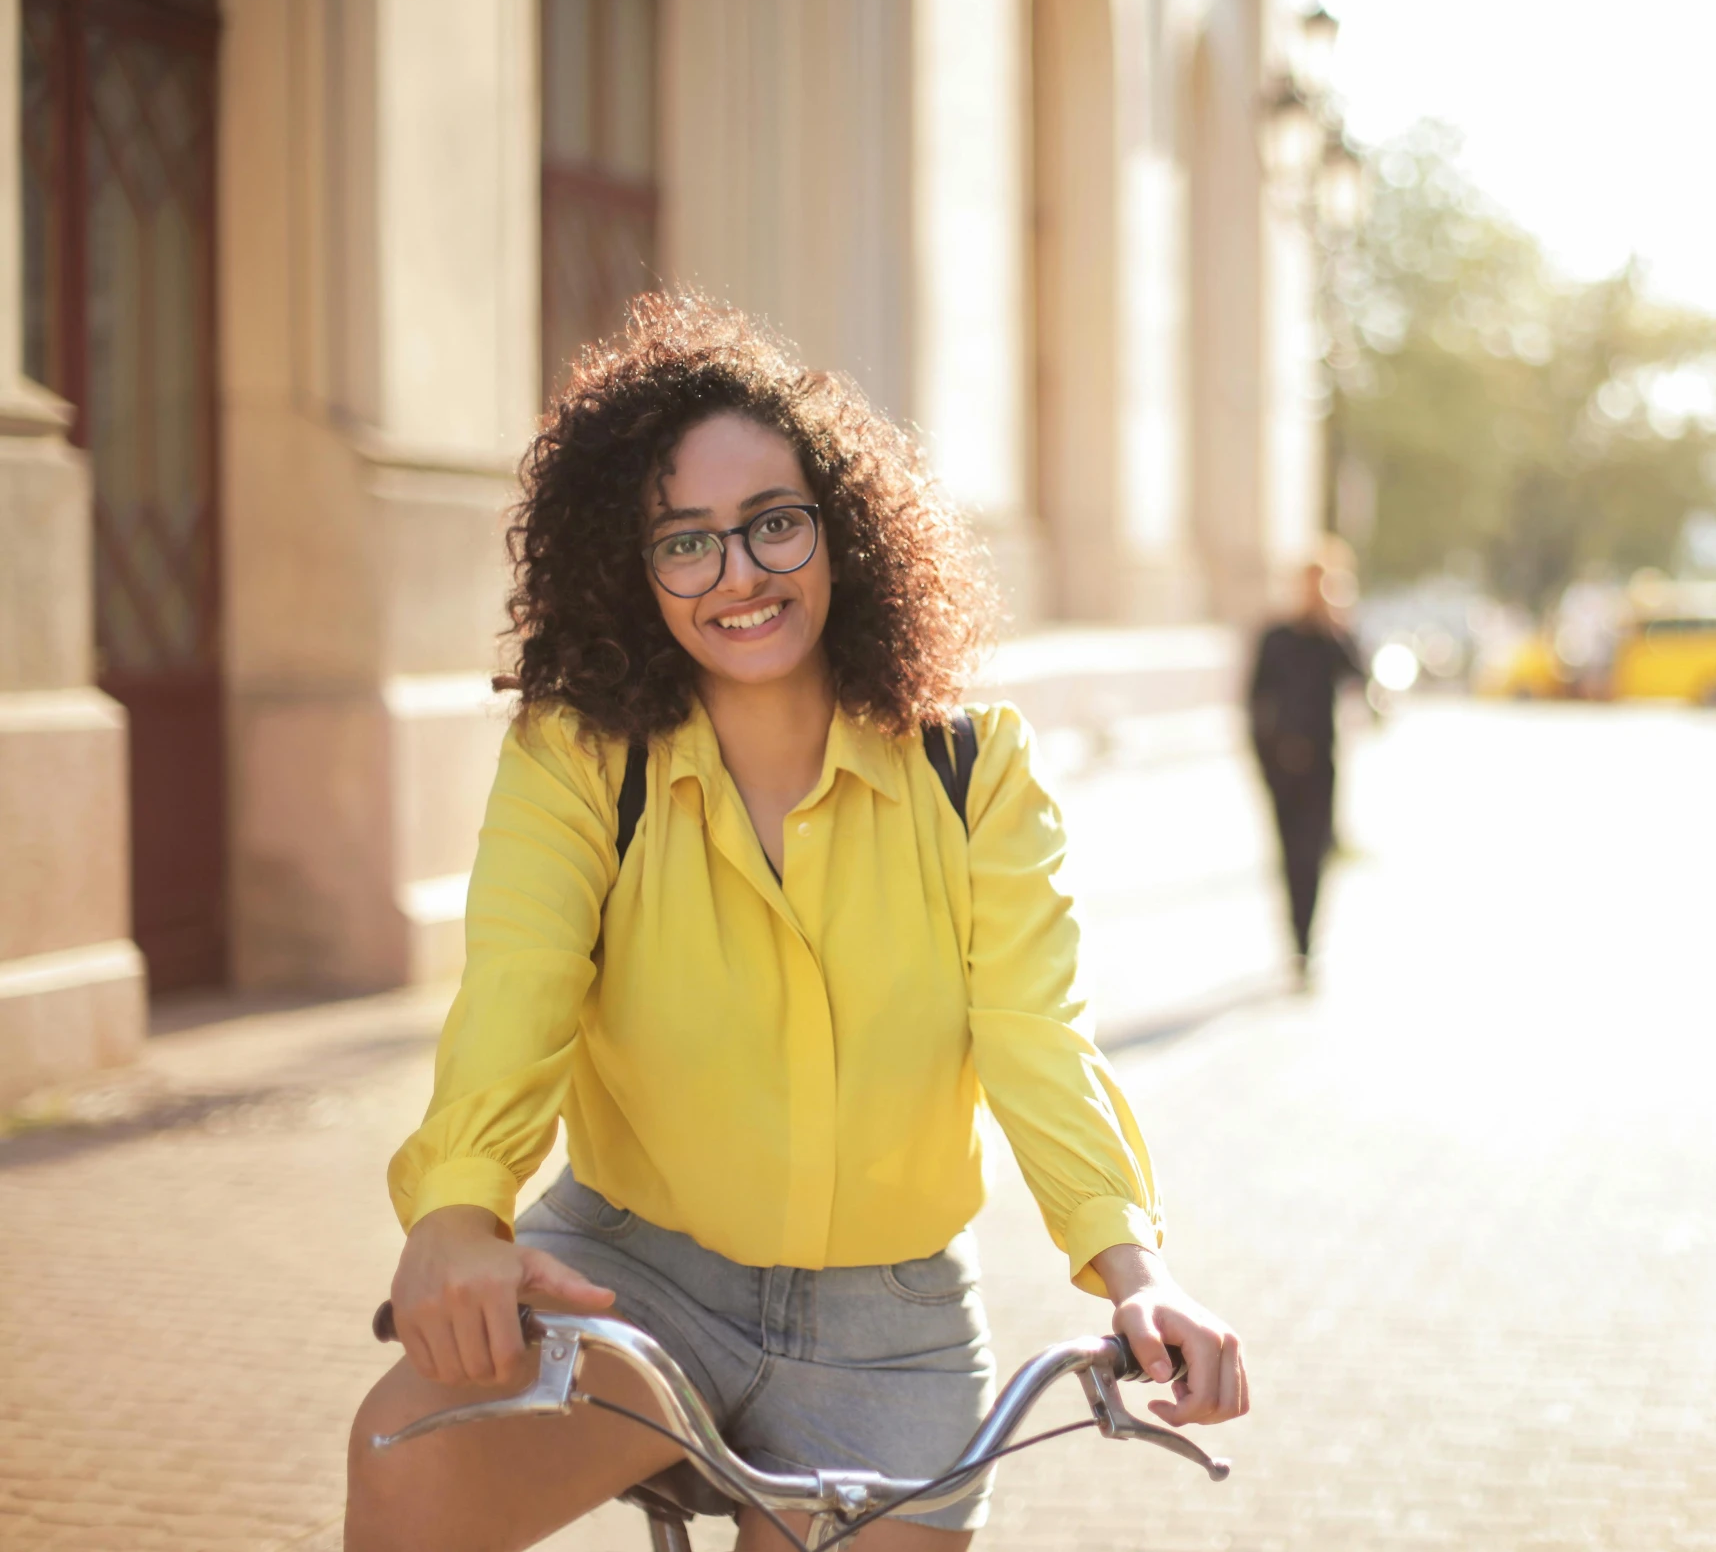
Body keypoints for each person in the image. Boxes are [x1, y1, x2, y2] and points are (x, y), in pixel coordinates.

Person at [346, 293, 1247, 1552]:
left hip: (893, 1327)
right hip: (627, 1273)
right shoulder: (579, 758)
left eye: (774, 525)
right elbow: (515, 993)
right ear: (631, 566)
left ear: (843, 533)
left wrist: (1134, 1267)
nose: (740, 576)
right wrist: (457, 1213)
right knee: (404, 1463)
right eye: (686, 542)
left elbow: (1037, 1035)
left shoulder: (971, 767)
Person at [1247, 548, 1364, 983]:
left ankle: (1306, 944)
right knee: (1288, 854)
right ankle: (1294, 939)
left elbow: (1360, 676)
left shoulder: (1331, 638)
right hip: (1280, 767)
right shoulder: (1275, 637)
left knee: (1315, 851)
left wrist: (1338, 624)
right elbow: (1254, 702)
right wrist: (1265, 757)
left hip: (1321, 764)